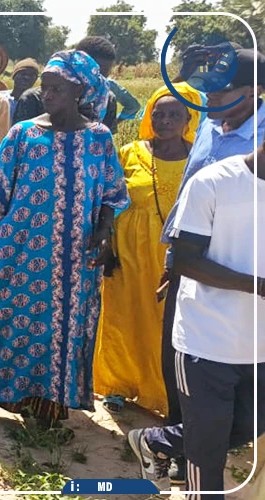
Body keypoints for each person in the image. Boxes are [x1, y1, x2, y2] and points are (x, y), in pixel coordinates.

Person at [0, 50, 129, 430]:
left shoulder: (98, 140)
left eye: (57, 89)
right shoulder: (24, 134)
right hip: (17, 253)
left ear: (80, 91)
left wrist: (104, 233)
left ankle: (47, 405)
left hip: (72, 262)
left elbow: (111, 197)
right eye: (45, 87)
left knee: (58, 330)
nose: (47, 95)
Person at [126, 138, 265, 498]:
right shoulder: (213, 182)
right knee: (207, 453)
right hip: (208, 340)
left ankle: (155, 440)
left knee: (246, 426)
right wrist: (257, 285)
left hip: (260, 343)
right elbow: (185, 261)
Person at [154, 48, 264, 484]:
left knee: (236, 403)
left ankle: (181, 446)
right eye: (209, 89)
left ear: (255, 92)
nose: (211, 98)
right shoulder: (212, 127)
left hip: (242, 298)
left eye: (223, 90)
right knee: (178, 367)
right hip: (195, 271)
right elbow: (191, 193)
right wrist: (173, 259)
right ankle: (184, 452)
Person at [92, 84, 200, 416]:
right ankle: (117, 386)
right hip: (126, 251)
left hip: (169, 255)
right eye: (159, 113)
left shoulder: (198, 159)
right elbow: (106, 199)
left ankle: (161, 391)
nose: (164, 120)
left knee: (163, 323)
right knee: (121, 316)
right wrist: (106, 243)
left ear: (189, 119)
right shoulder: (129, 152)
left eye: (174, 115)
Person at [74, 36, 140, 128]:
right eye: (95, 73)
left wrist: (113, 123)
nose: (100, 81)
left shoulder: (109, 99)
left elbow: (133, 106)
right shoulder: (54, 90)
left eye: (104, 75)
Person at [10, 58, 44, 124]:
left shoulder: (38, 104)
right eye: (23, 73)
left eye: (32, 75)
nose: (26, 77)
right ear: (14, 75)